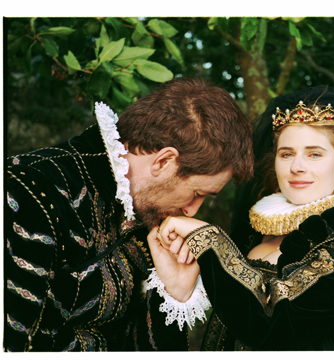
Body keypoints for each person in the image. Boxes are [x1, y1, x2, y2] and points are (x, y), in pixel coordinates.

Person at [150, 86, 334, 350]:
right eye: (286, 153)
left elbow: (273, 327)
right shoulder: (259, 229)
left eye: (314, 154)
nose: (297, 166)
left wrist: (208, 238)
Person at [4, 77, 254, 351]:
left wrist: (173, 292)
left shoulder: (145, 220)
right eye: (197, 193)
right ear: (164, 161)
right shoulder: (28, 190)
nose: (192, 211)